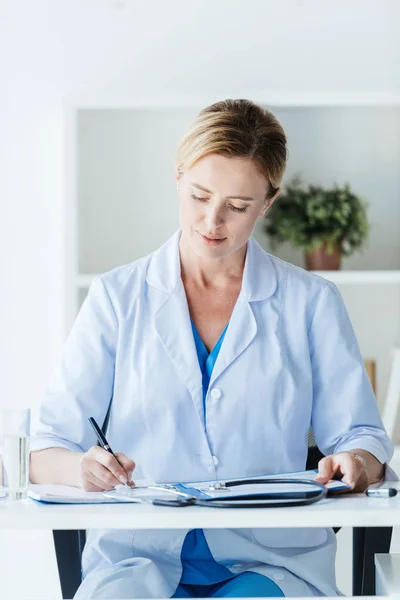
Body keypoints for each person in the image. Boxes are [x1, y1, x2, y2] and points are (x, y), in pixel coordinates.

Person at [30, 99, 393, 599]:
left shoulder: (311, 302)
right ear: (178, 177)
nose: (212, 220)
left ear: (268, 202)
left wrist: (356, 461)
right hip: (140, 557)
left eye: (238, 206)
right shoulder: (117, 298)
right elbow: (46, 445)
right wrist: (81, 468)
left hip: (270, 560)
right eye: (199, 195)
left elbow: (363, 435)